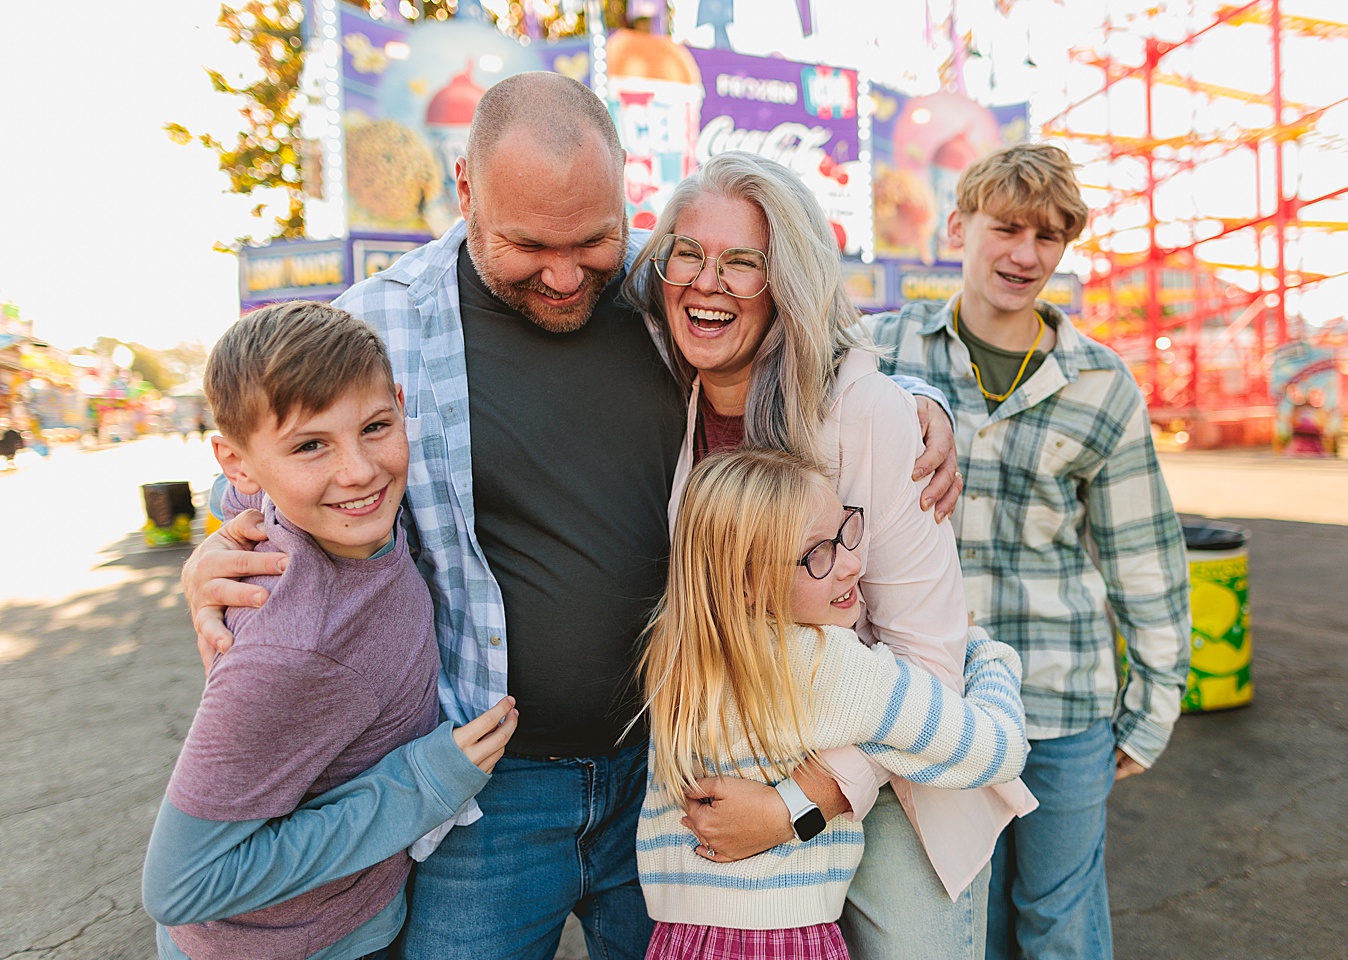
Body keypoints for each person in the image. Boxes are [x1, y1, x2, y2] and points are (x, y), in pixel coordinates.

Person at [181, 72, 964, 960]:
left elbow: (795, 329)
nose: (563, 275)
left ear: (625, 192)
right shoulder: (383, 326)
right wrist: (215, 545)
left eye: (591, 239)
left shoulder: (657, 294)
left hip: (677, 777)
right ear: (466, 189)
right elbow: (274, 468)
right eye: (527, 246)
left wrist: (915, 395)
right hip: (488, 796)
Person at [622, 151, 1035, 959]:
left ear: (789, 284)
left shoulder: (869, 414)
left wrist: (793, 807)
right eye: (689, 253)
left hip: (891, 772)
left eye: (745, 263)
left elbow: (927, 657)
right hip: (739, 800)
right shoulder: (669, 390)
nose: (708, 281)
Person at [866, 143, 1192, 960]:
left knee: (1058, 923)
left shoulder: (1100, 382)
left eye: (1047, 237)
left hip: (1060, 697)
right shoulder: (883, 350)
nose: (1025, 254)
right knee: (957, 924)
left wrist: (1152, 705)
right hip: (931, 701)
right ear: (958, 226)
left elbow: (1143, 554)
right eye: (1006, 228)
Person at [143, 301, 518, 960]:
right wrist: (416, 787)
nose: (359, 471)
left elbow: (235, 493)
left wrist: (218, 520)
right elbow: (179, 885)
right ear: (240, 461)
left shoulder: (330, 509)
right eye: (311, 444)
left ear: (400, 406)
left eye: (376, 426)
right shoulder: (290, 649)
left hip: (352, 919)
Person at [638, 447, 1028, 960]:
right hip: (785, 942)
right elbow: (998, 750)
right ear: (748, 584)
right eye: (817, 555)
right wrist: (984, 654)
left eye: (845, 531)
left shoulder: (679, 655)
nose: (851, 564)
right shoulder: (826, 666)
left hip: (680, 939)